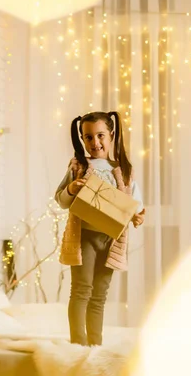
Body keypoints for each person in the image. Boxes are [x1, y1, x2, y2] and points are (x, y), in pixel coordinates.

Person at [55, 111, 145, 346]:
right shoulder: (78, 166)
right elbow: (61, 200)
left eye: (100, 136)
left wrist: (137, 217)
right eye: (88, 137)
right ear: (82, 139)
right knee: (81, 290)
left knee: (99, 296)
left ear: (112, 135)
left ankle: (95, 345)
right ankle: (78, 344)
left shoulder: (123, 169)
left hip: (111, 240)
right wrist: (73, 188)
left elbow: (135, 204)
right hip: (85, 236)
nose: (95, 143)